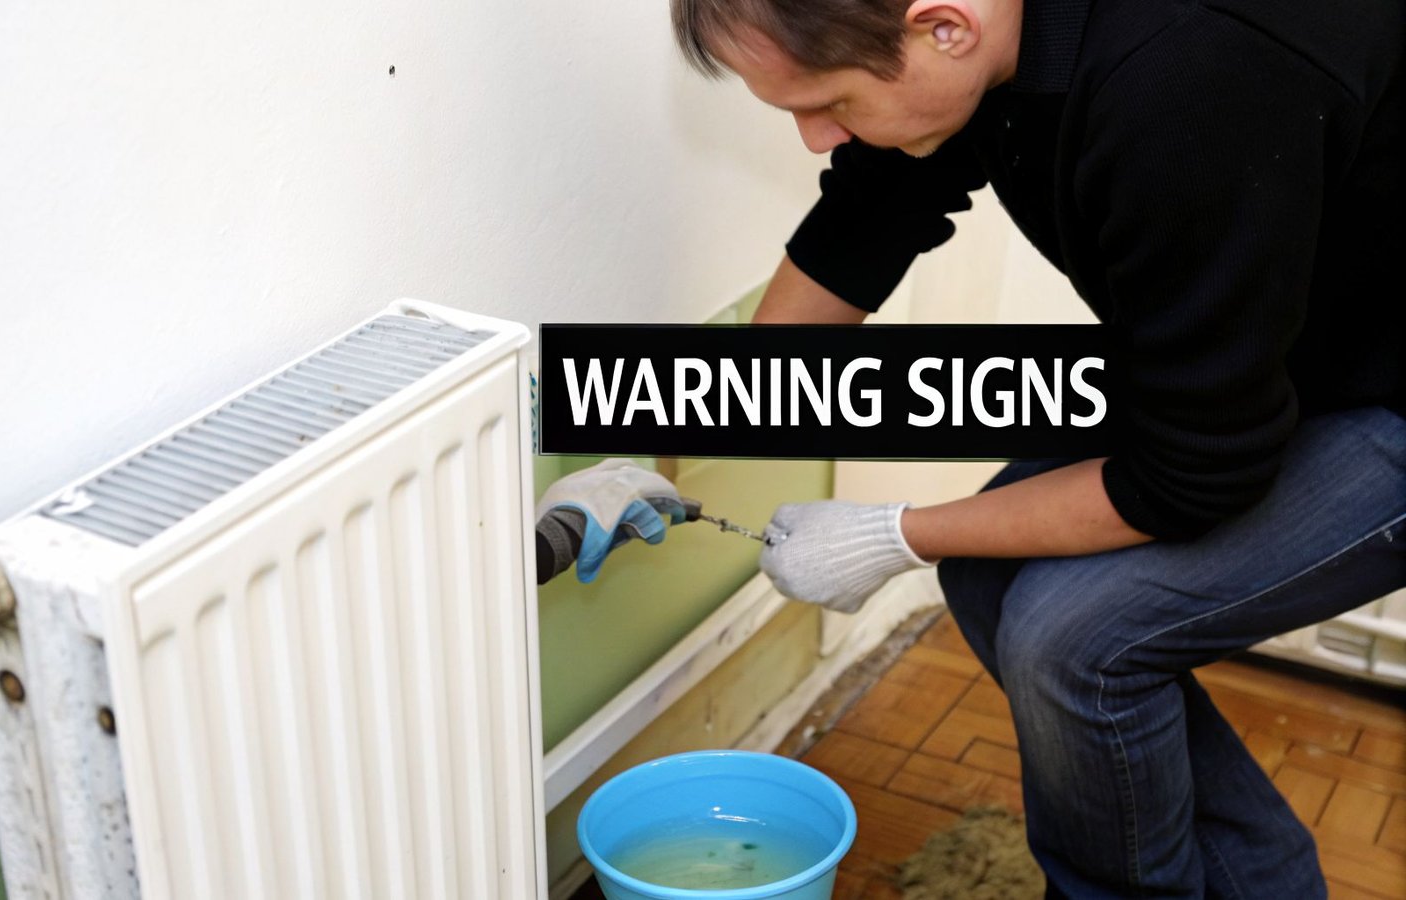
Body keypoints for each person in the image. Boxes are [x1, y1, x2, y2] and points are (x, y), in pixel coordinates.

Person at [541, 0, 1406, 895]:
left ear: (944, 28)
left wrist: (896, 533)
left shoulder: (1193, 78)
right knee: (990, 575)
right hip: (1273, 352)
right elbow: (863, 223)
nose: (812, 138)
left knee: (1073, 639)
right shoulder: (981, 39)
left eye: (828, 101)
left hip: (1377, 391)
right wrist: (658, 444)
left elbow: (1193, 475)